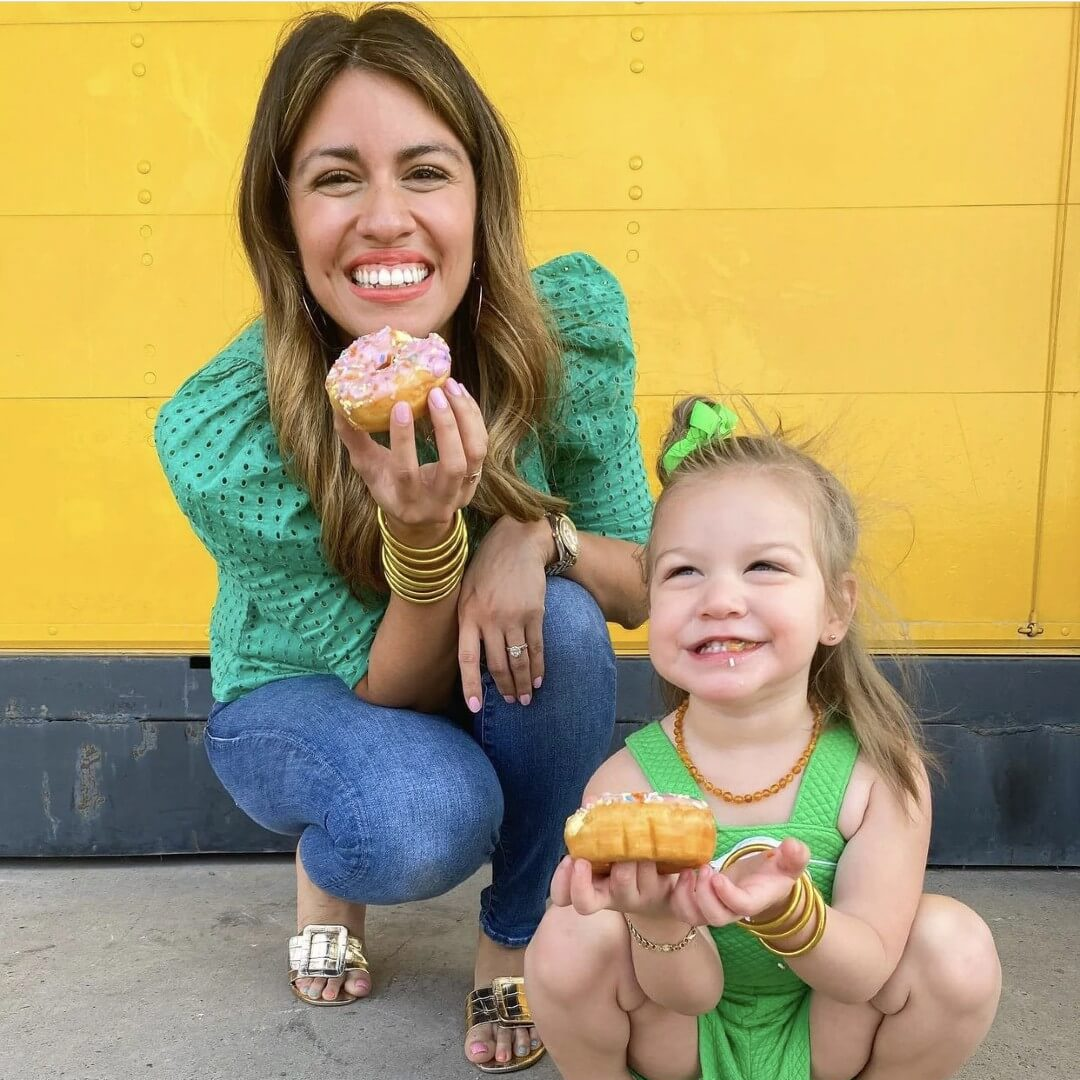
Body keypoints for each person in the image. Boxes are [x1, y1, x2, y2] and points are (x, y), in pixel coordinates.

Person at [154, 5, 652, 1072]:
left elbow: (642, 579)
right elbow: (387, 686)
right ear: (283, 215)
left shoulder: (567, 331)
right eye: (337, 178)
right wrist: (426, 535)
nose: (386, 218)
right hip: (304, 695)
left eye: (425, 172)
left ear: (481, 197)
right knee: (420, 813)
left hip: (486, 672)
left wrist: (537, 535)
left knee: (562, 619)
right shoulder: (225, 427)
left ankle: (516, 934)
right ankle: (330, 868)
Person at [524, 398, 1002, 1080]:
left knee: (956, 946)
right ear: (651, 606)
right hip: (682, 1040)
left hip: (830, 1032)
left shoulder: (876, 774)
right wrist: (657, 919)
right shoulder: (626, 789)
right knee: (567, 936)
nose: (719, 598)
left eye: (764, 568)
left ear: (835, 607)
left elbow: (865, 970)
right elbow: (689, 993)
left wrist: (789, 912)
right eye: (683, 571)